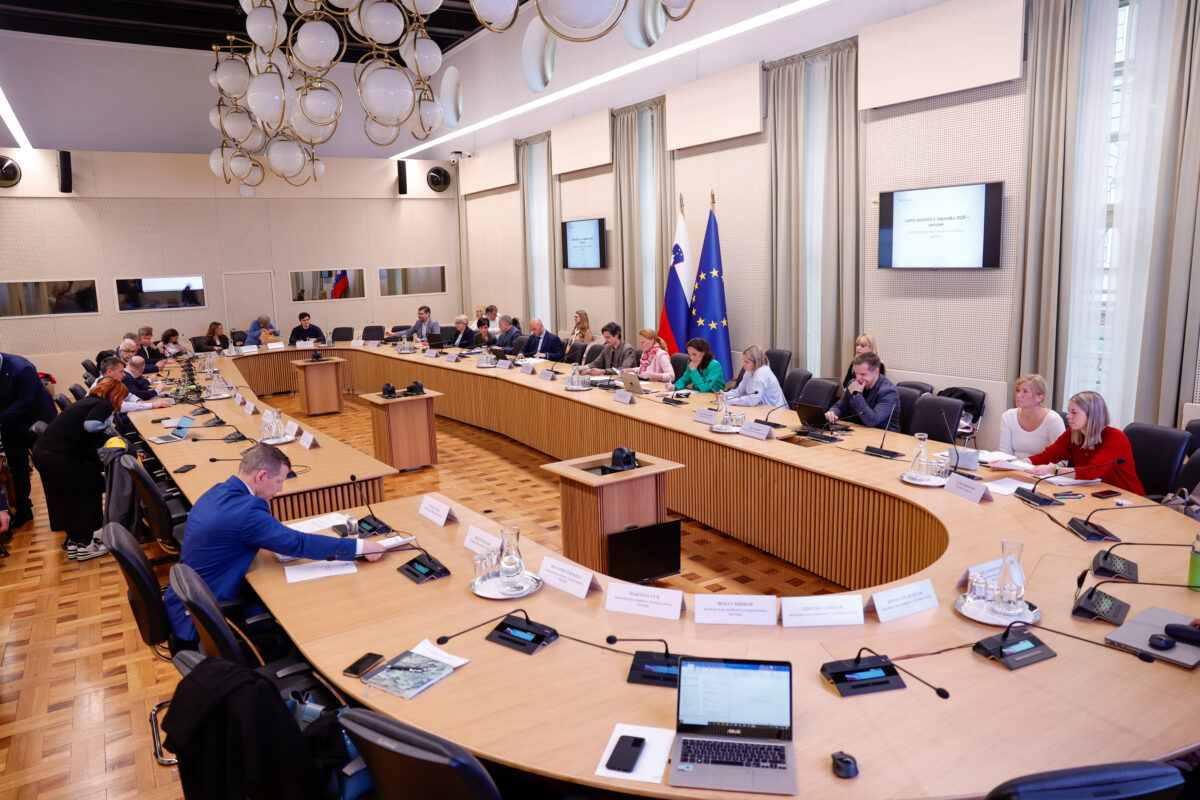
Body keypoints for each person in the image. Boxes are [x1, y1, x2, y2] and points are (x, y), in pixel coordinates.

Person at [162, 444, 385, 648]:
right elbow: (297, 543)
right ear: (261, 476)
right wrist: (359, 547)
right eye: (279, 481)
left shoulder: (219, 490)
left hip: (184, 602)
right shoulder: (247, 511)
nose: (280, 489)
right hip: (201, 622)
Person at [31, 377, 127, 560]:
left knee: (66, 499)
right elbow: (90, 426)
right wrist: (108, 424)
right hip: (61, 458)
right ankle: (88, 545)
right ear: (115, 395)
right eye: (121, 398)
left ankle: (76, 542)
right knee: (87, 493)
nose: (121, 402)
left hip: (43, 454)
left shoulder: (86, 402)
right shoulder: (103, 404)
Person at [994, 391, 1144, 495]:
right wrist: (1013, 464)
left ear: (1091, 415)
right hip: (1095, 493)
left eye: (1074, 412)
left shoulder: (1115, 438)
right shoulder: (1074, 433)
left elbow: (1092, 472)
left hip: (1126, 498)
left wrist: (1053, 470)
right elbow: (1048, 455)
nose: (1068, 416)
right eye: (1069, 411)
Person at [0, 352, 57, 529]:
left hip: (37, 421)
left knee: (49, 467)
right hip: (10, 426)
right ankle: (24, 509)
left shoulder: (21, 368)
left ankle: (60, 510)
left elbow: (25, 401)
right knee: (17, 467)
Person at [998, 374, 1067, 459]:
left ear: (1040, 397)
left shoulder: (1053, 420)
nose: (1018, 395)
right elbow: (1004, 454)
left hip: (1042, 467)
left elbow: (1061, 459)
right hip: (1014, 466)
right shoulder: (1008, 416)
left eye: (1025, 391)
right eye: (1018, 390)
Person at [825, 352, 899, 430]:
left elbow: (872, 421)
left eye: (863, 374)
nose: (858, 378)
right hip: (859, 430)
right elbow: (839, 407)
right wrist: (832, 413)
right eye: (856, 373)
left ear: (876, 371)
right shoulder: (853, 383)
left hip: (883, 434)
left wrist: (857, 395)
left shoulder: (889, 392)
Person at [94, 355, 171, 411]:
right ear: (109, 371)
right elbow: (121, 406)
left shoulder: (111, 381)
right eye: (121, 371)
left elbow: (127, 395)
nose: (124, 374)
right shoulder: (102, 385)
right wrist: (151, 405)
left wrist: (137, 400)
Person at [720, 345, 786, 408]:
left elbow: (752, 400)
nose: (743, 364)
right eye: (743, 361)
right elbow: (740, 391)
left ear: (756, 362)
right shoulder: (749, 371)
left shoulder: (761, 373)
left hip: (775, 410)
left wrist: (727, 399)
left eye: (746, 362)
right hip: (761, 407)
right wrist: (724, 394)